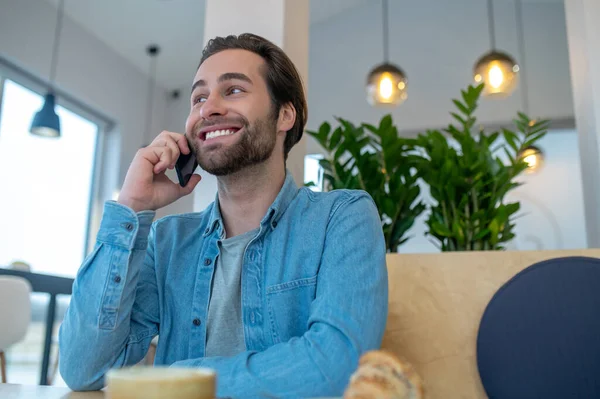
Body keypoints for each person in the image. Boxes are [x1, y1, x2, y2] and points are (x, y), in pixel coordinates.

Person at [58, 33, 388, 398]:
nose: (207, 108)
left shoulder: (342, 218)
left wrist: (181, 379)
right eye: (198, 97)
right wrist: (132, 207)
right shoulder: (168, 241)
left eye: (233, 90)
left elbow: (339, 368)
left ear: (285, 115)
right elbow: (82, 368)